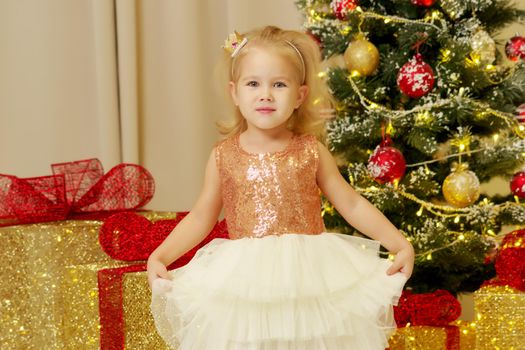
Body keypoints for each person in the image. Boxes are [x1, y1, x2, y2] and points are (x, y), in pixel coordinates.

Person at [147, 25, 415, 350]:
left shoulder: (311, 151)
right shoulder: (223, 156)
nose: (265, 94)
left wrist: (398, 243)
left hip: (310, 276)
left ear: (300, 95)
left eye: (279, 84)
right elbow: (202, 216)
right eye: (253, 84)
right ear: (235, 92)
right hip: (246, 282)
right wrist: (160, 256)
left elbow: (352, 204)